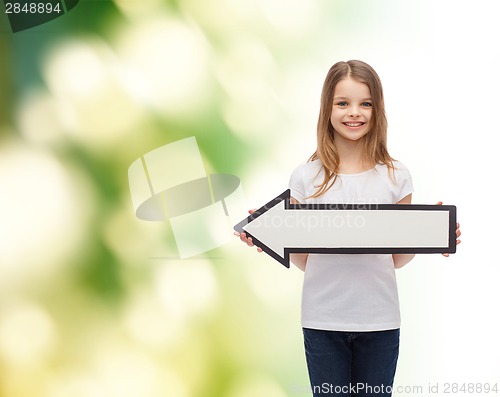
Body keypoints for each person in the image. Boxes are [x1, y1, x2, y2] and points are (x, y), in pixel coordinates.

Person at [234, 60, 461, 396]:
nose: (354, 113)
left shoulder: (396, 176)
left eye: (365, 103)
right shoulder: (305, 177)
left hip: (380, 320)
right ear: (328, 108)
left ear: (377, 109)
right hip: (322, 320)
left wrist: (430, 233)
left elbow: (396, 258)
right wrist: (269, 236)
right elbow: (305, 259)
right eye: (343, 103)